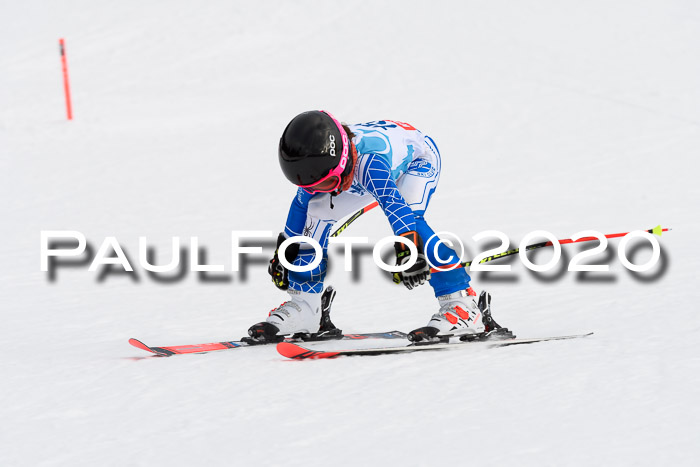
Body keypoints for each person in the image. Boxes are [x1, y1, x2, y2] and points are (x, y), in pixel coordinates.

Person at [247, 110, 488, 343]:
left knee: (412, 220)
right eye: (315, 187)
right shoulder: (321, 167)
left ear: (342, 163)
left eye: (329, 183)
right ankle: (307, 306)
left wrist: (408, 251)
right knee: (316, 211)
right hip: (356, 173)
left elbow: (393, 205)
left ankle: (462, 305)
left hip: (417, 161)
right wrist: (284, 252)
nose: (326, 191)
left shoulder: (370, 164)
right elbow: (301, 205)